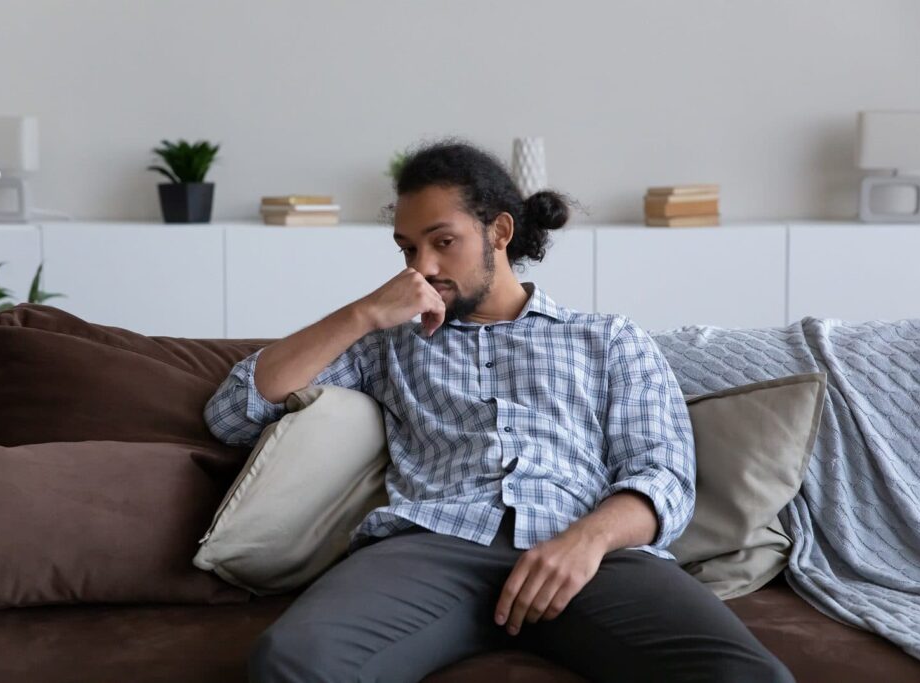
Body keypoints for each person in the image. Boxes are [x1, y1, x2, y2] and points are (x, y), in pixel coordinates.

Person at [204, 139, 794, 683]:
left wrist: (586, 542)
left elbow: (663, 473)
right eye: (408, 249)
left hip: (587, 553)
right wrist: (363, 313)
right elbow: (233, 413)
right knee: (291, 660)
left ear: (499, 232)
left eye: (443, 241)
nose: (423, 267)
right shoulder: (388, 344)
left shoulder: (607, 339)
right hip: (429, 546)